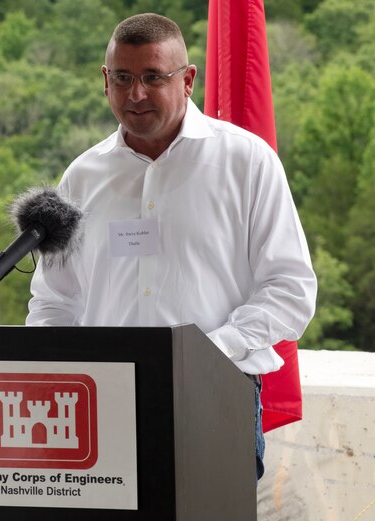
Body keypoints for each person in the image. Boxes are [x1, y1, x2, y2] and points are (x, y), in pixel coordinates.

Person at [26, 13, 317, 481]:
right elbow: (54, 300)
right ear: (105, 81)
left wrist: (205, 354)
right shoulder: (82, 176)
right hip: (101, 407)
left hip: (215, 395)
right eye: (122, 78)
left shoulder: (247, 161)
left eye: (152, 78)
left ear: (187, 80)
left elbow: (290, 290)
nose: (135, 93)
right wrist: (54, 377)